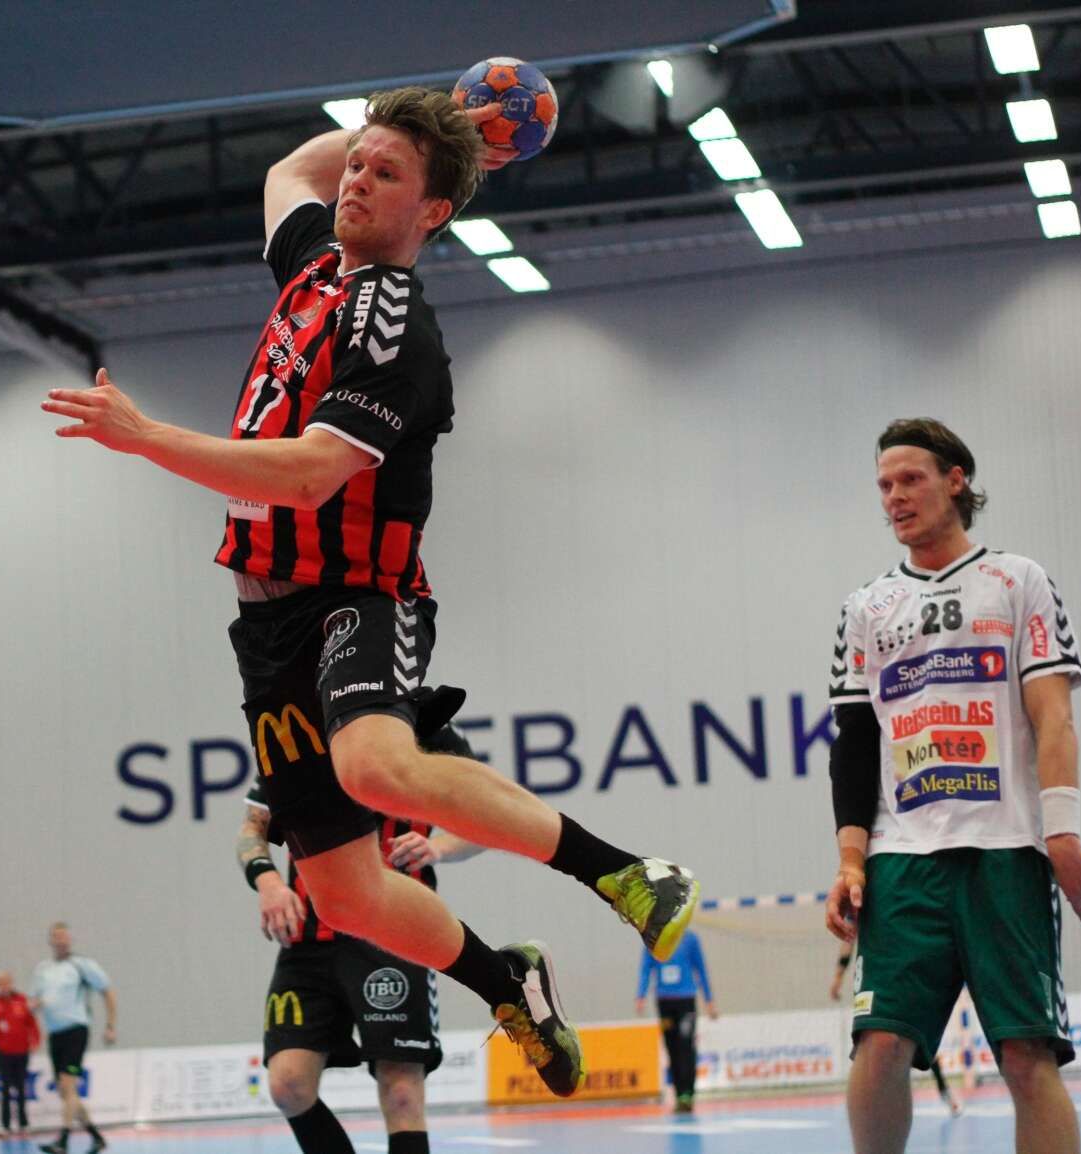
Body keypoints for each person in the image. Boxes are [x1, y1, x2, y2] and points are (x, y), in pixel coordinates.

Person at [41, 85, 698, 1096]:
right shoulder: (312, 268)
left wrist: (146, 436)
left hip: (357, 593)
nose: (354, 179)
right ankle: (509, 983)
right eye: (356, 164)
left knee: (377, 764)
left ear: (432, 212)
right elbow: (289, 172)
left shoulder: (396, 323)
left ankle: (622, 871)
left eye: (385, 174)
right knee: (345, 894)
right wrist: (426, 124)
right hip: (266, 624)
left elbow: (311, 473)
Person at [825, 418, 1081, 1154]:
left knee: (1025, 1053)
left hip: (1007, 853)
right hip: (901, 859)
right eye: (884, 484)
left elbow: (1054, 717)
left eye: (910, 479)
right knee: (879, 1044)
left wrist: (1062, 832)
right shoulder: (865, 607)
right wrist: (849, 860)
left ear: (955, 480)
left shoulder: (1018, 581)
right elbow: (854, 745)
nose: (894, 496)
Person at [242, 714, 481, 1154]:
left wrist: (439, 847)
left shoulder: (428, 726)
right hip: (309, 936)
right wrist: (268, 880)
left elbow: (484, 819)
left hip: (394, 930)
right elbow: (253, 829)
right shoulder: (291, 726)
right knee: (288, 1085)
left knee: (401, 1088)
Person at [830, 944, 961, 1117]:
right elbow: (848, 939)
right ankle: (874, 1108)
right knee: (879, 1045)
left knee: (914, 1042)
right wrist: (838, 977)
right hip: (876, 982)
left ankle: (942, 1090)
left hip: (903, 977)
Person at [30, 923, 114, 1154]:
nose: (61, 940)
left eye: (64, 936)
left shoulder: (82, 965)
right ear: (51, 941)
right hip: (55, 1035)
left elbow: (107, 991)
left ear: (70, 940)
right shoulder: (43, 969)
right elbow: (34, 999)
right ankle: (96, 1137)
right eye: (56, 937)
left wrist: (110, 1025)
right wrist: (34, 1005)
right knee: (66, 1092)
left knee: (69, 1085)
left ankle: (63, 1141)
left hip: (76, 1031)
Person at [634, 930, 716, 1113]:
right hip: (664, 1001)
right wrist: (641, 994)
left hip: (686, 1000)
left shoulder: (690, 939)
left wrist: (709, 999)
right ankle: (679, 1095)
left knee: (686, 1045)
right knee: (672, 1047)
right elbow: (646, 968)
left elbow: (700, 968)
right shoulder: (653, 937)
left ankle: (688, 1093)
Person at [0, 971, 40, 1138]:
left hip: (22, 1052)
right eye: (1, 983)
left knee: (21, 1088)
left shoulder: (22, 1000)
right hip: (3, 1053)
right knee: (5, 1089)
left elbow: (32, 1024)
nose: (4, 986)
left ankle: (23, 1125)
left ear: (11, 983)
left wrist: (35, 1041)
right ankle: (5, 1126)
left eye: (7, 982)